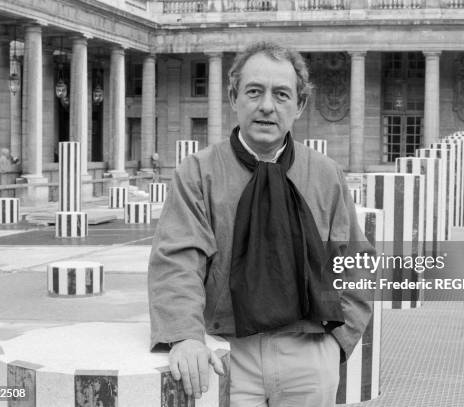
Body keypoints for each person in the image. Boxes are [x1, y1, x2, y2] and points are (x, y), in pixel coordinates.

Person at [148, 41, 373, 406]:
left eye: (281, 94)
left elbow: (355, 262)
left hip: (309, 351)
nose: (267, 105)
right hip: (226, 352)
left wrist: (337, 342)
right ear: (234, 97)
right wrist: (185, 335)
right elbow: (177, 259)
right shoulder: (197, 173)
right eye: (254, 91)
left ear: (299, 106)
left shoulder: (326, 174)